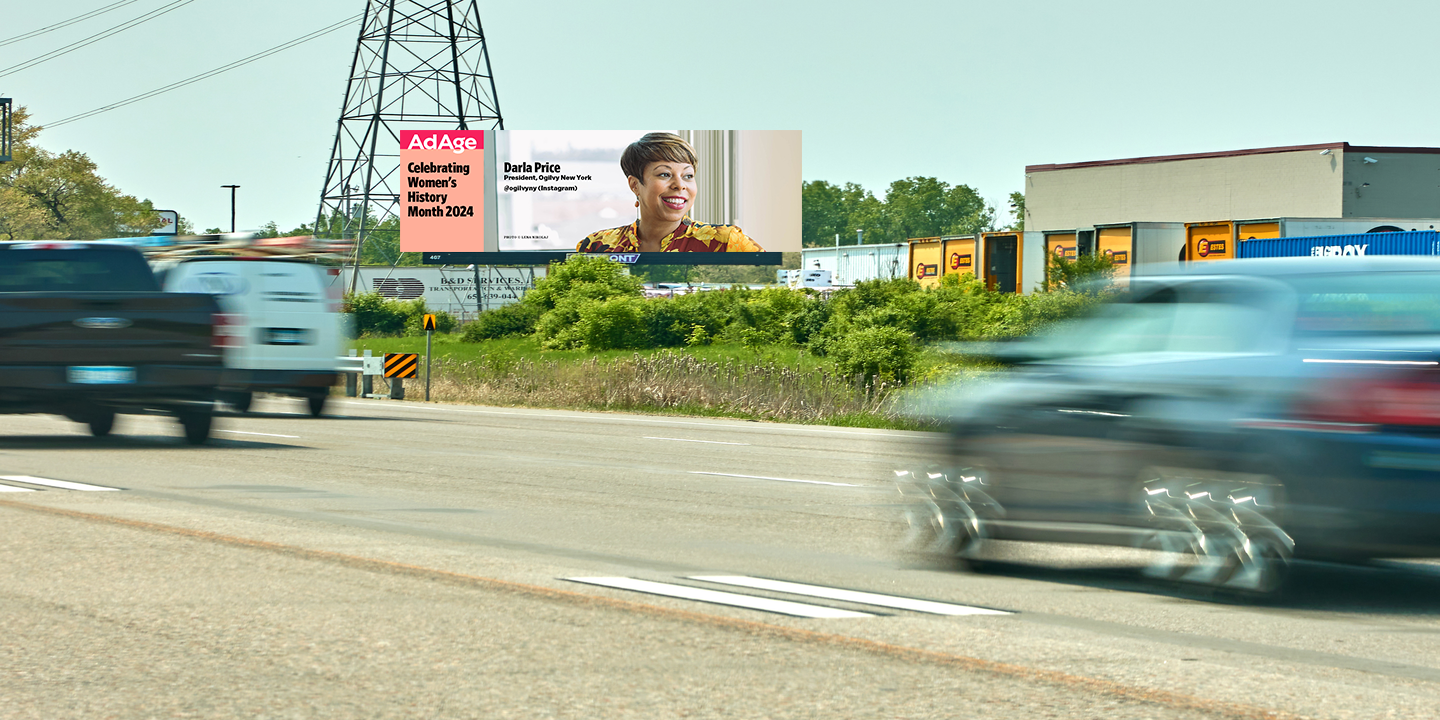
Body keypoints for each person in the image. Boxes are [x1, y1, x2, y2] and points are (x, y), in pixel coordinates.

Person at [576, 132, 763, 253]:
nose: (680, 185)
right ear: (634, 185)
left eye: (688, 176)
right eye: (665, 174)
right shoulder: (595, 246)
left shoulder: (726, 241)